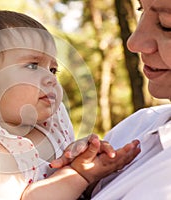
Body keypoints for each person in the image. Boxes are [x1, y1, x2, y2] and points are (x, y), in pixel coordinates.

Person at [0, 9, 140, 200]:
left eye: (52, 70)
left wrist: (84, 156)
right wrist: (79, 174)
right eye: (32, 65)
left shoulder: (53, 126)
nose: (50, 79)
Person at [52, 0, 171, 199]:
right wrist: (77, 178)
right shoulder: (135, 128)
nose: (134, 43)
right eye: (141, 10)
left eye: (166, 24)